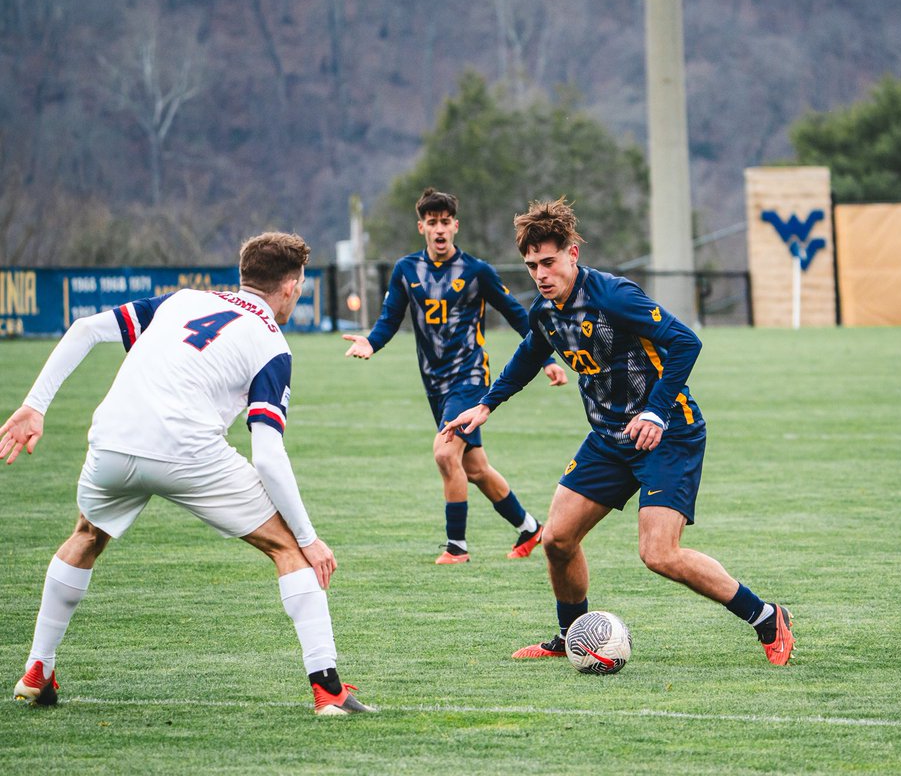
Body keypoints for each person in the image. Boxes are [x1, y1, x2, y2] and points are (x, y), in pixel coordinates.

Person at [1, 232, 374, 716]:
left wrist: (34, 406)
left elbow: (85, 330)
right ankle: (329, 691)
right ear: (289, 287)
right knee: (288, 549)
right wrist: (309, 537)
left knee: (86, 535)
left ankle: (38, 667)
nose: (299, 292)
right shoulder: (272, 345)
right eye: (299, 285)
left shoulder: (185, 300)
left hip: (113, 437)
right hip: (186, 450)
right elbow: (267, 454)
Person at [442, 198, 794, 666]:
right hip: (608, 439)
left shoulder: (613, 296)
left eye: (549, 262)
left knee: (659, 553)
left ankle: (767, 617)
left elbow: (686, 342)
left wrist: (656, 412)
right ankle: (572, 638)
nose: (541, 274)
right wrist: (486, 404)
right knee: (557, 539)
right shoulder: (544, 312)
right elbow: (530, 355)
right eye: (532, 266)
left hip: (668, 435)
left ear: (573, 254)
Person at [344, 188, 567, 564]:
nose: (439, 229)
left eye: (445, 222)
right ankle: (530, 529)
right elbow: (389, 320)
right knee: (474, 467)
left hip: (470, 377)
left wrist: (546, 359)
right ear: (422, 228)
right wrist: (372, 343)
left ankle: (457, 548)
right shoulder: (405, 270)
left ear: (455, 226)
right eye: (432, 223)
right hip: (435, 384)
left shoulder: (477, 272)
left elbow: (516, 313)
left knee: (445, 453)